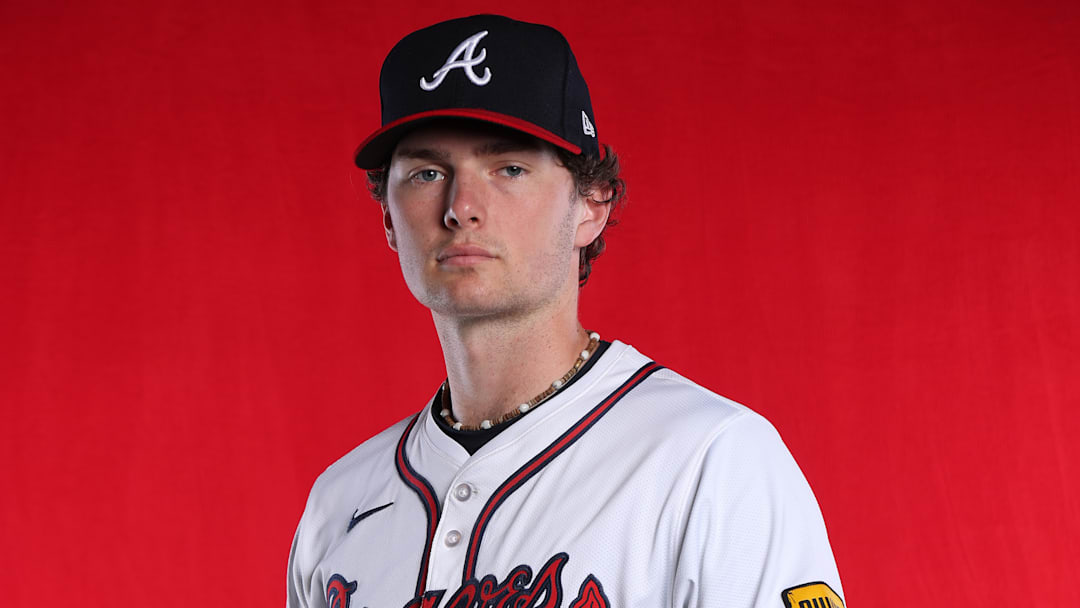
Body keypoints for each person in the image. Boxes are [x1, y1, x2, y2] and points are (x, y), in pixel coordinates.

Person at [288, 14, 845, 608]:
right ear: (388, 221)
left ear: (592, 205)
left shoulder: (711, 462)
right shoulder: (340, 505)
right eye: (427, 172)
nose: (461, 207)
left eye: (509, 168)